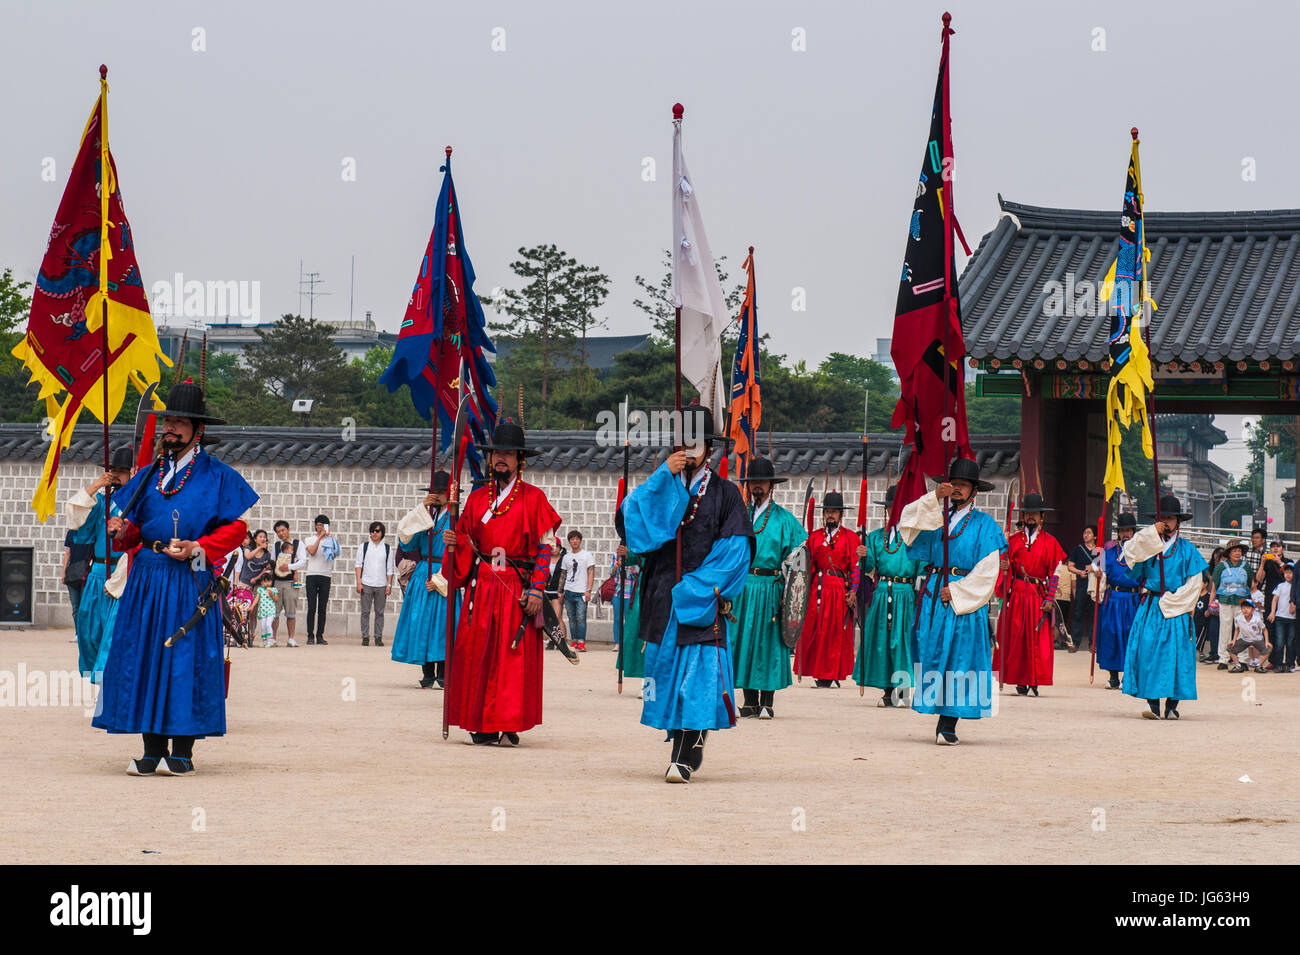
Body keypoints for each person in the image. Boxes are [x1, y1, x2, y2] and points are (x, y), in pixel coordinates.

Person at [95, 377, 258, 775]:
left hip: (191, 576)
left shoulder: (217, 475)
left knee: (184, 656)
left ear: (196, 430)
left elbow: (237, 530)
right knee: (146, 654)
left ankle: (182, 750)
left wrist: (198, 547)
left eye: (179, 422)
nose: (170, 428)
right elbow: (134, 531)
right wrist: (122, 530)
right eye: (167, 420)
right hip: (148, 578)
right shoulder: (148, 475)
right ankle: (150, 751)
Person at [619, 405, 754, 782]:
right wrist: (664, 478)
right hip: (664, 598)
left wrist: (698, 588)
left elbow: (735, 551)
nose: (688, 448)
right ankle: (679, 738)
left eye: (696, 441)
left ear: (709, 448)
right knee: (667, 677)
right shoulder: (662, 484)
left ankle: (687, 747)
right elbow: (634, 528)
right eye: (682, 441)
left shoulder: (727, 494)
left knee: (697, 678)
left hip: (700, 600)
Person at [443, 422, 563, 746]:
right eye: (497, 453)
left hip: (516, 588)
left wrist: (537, 589)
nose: (501, 459)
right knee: (477, 653)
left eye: (508, 454)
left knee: (511, 659)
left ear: (520, 460)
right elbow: (467, 544)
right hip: (481, 588)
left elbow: (545, 547)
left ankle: (507, 721)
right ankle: (480, 724)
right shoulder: (478, 497)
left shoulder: (534, 498)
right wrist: (455, 542)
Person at [898, 457, 1008, 745]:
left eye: (963, 485)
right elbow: (906, 522)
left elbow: (988, 570)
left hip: (962, 600)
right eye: (953, 484)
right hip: (935, 595)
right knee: (935, 655)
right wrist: (933, 497)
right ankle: (937, 709)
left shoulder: (985, 526)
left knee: (959, 659)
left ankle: (948, 723)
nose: (957, 489)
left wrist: (958, 591)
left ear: (974, 491)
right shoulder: (936, 518)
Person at [1121, 494, 1208, 720]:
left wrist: (1173, 602)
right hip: (1151, 608)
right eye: (1163, 518)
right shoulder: (1149, 545)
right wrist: (1151, 535)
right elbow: (1127, 556)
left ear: (1179, 521)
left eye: (1171, 518)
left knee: (1176, 654)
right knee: (1148, 651)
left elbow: (1195, 583)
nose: (1167, 523)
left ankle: (1172, 704)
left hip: (1175, 609)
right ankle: (1152, 703)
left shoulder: (1187, 549)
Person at [731, 456, 806, 718]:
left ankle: (767, 701)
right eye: (753, 483)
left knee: (767, 641)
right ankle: (749, 700)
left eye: (761, 482)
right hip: (744, 585)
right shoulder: (739, 515)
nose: (757, 487)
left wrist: (792, 562)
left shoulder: (784, 518)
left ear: (771, 485)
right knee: (745, 640)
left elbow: (803, 550)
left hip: (771, 585)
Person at [66, 446, 136, 680]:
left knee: (113, 632)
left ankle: (108, 683)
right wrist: (96, 485)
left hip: (124, 572)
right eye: (113, 471)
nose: (116, 475)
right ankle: (97, 677)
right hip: (98, 571)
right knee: (88, 630)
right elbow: (79, 524)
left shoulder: (139, 503)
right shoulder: (102, 502)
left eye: (122, 471)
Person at [855, 483, 924, 708]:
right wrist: (864, 555)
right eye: (891, 509)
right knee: (882, 641)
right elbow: (870, 566)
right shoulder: (875, 537)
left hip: (905, 594)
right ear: (886, 510)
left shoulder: (915, 538)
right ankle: (887, 691)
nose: (894, 513)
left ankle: (902, 691)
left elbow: (922, 569)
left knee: (902, 641)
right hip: (882, 592)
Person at [994, 492, 1066, 697]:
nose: (1031, 517)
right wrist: (1004, 566)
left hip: (1037, 595)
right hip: (1017, 594)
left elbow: (1054, 572)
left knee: (1036, 639)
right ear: (1023, 517)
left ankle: (1034, 679)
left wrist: (1050, 598)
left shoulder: (1051, 542)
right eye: (1027, 514)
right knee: (1016, 638)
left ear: (1042, 517)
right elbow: (1004, 570)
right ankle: (1019, 680)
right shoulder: (1013, 540)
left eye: (1035, 514)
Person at [391, 473, 458, 688]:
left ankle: (444, 672)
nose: (437, 496)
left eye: (441, 492)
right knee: (423, 622)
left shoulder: (456, 517)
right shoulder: (425, 517)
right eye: (434, 492)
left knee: (442, 624)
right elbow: (407, 542)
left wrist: (443, 577)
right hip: (423, 571)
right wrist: (421, 509)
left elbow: (460, 548)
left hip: (445, 570)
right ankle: (427, 672)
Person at [794, 491, 861, 688]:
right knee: (815, 630)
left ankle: (831, 674)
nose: (830, 515)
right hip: (817, 588)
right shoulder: (814, 537)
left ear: (841, 514)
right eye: (827, 512)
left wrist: (853, 590)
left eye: (834, 512)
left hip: (838, 589)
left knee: (834, 633)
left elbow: (855, 567)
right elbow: (807, 566)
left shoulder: (850, 538)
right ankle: (818, 671)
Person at [1095, 512, 1142, 689]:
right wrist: (1099, 573)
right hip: (1113, 599)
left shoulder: (1141, 553)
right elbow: (1098, 568)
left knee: (1129, 635)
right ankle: (1113, 676)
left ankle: (1127, 676)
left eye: (1129, 530)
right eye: (1123, 530)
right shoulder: (1109, 552)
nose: (1126, 534)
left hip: (1132, 599)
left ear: (1134, 532)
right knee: (1111, 634)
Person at [1209, 539, 1251, 671]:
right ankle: (1223, 659)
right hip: (1225, 601)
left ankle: (1242, 659)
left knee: (1242, 629)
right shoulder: (1221, 567)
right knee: (1225, 629)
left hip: (1241, 602)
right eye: (1235, 551)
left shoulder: (1246, 566)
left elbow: (1250, 581)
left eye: (1239, 551)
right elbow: (1216, 581)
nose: (1237, 553)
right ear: (1229, 553)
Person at [355, 520, 395, 646]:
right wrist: (358, 582)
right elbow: (358, 565)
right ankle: (365, 636)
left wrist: (389, 585)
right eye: (372, 531)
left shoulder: (387, 549)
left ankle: (378, 637)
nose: (374, 533)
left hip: (381, 584)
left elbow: (390, 569)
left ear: (382, 533)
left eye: (377, 531)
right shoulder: (364, 547)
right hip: (366, 582)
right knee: (365, 612)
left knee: (380, 612)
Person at [303, 514, 339, 645]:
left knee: (322, 607)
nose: (320, 527)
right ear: (315, 526)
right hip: (312, 575)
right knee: (312, 606)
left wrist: (331, 540)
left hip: (326, 575)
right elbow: (312, 551)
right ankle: (310, 635)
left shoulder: (331, 540)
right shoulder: (309, 539)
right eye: (318, 525)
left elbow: (334, 555)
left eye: (323, 525)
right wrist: (319, 538)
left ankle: (320, 635)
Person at [1066, 525, 1102, 650]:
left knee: (1094, 615)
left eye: (1089, 533)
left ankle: (1093, 643)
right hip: (1082, 585)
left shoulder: (1099, 550)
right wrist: (1079, 572)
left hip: (1094, 586)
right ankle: (1075, 642)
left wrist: (1094, 569)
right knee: (1078, 613)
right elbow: (1070, 566)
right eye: (1084, 532)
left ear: (1095, 536)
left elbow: (1104, 567)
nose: (1085, 535)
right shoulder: (1078, 549)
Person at [270, 520, 305, 646]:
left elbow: (303, 561)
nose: (281, 533)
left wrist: (289, 566)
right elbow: (273, 561)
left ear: (288, 529)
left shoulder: (298, 544)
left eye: (283, 530)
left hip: (291, 582)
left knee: (291, 612)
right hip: (277, 582)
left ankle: (291, 638)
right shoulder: (276, 545)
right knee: (274, 612)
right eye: (278, 532)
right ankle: (273, 638)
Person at [561, 531, 595, 652]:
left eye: (576, 539)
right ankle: (574, 640)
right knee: (571, 617)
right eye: (572, 539)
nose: (574, 541)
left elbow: (591, 572)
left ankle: (581, 641)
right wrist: (561, 591)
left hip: (582, 592)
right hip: (568, 590)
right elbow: (563, 574)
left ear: (580, 540)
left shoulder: (587, 555)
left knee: (581, 618)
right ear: (569, 541)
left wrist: (589, 590)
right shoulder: (566, 557)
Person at [1227, 599, 1270, 672]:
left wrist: (1267, 641)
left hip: (1257, 639)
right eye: (1243, 608)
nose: (1245, 610)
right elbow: (1237, 629)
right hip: (1245, 639)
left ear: (1253, 610)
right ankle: (1238, 666)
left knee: (1268, 649)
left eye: (1248, 608)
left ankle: (1258, 666)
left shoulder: (1257, 619)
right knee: (1230, 648)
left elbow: (1265, 630)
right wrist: (1234, 640)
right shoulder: (1238, 619)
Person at [1198, 547, 1225, 663]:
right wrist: (1210, 606)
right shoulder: (1215, 571)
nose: (1221, 559)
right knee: (1213, 629)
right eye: (1220, 557)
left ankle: (1224, 655)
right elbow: (1213, 590)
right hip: (1215, 604)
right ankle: (1214, 653)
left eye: (1224, 557)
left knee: (1225, 631)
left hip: (1227, 603)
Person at [1269, 563, 1297, 672]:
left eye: (1291, 572)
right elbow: (1275, 599)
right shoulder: (1280, 586)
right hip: (1280, 617)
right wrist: (1272, 612)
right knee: (1279, 641)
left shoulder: (1297, 587)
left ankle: (1290, 663)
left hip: (1293, 619)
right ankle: (1279, 663)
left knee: (1290, 642)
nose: (1288, 575)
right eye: (1286, 572)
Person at [253, 571, 278, 647]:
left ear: (271, 582)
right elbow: (256, 599)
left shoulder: (273, 590)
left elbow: (276, 599)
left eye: (269, 581)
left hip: (270, 611)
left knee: (268, 625)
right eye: (265, 581)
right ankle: (264, 641)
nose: (267, 583)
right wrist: (252, 606)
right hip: (262, 611)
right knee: (263, 626)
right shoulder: (260, 590)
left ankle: (270, 640)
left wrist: (272, 595)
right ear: (262, 583)